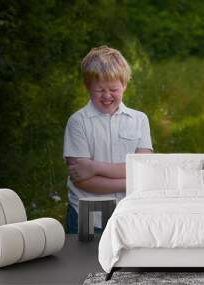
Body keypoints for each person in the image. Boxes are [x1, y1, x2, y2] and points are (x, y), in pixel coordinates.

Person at [63, 46, 153, 234]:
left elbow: (143, 168)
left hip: (128, 215)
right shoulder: (78, 122)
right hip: (86, 214)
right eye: (99, 90)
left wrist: (93, 167)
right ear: (88, 87)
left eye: (113, 89)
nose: (106, 96)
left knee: (127, 262)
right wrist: (133, 182)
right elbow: (82, 180)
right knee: (82, 261)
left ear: (125, 85)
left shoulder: (139, 120)